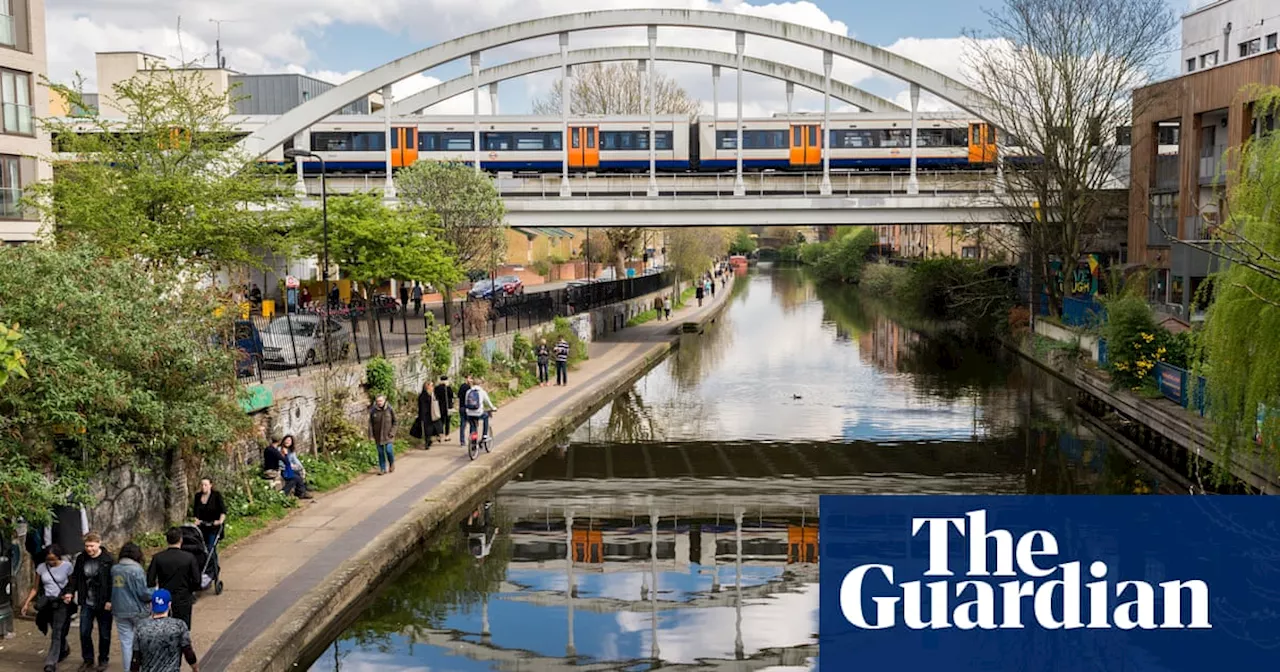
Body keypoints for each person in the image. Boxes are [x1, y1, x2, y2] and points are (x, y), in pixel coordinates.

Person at [64, 531, 114, 672]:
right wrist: (69, 592)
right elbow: (75, 577)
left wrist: (110, 600)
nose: (89, 549)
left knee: (104, 633)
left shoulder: (108, 560)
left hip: (103, 602)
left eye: (92, 546)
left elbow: (112, 582)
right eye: (87, 546)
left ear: (99, 543)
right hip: (87, 601)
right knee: (84, 632)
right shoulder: (81, 559)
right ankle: (88, 660)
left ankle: (103, 659)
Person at [22, 544, 72, 672]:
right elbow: (35, 587)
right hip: (48, 603)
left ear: (58, 557)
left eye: (53, 559)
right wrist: (27, 603)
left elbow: (72, 584)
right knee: (55, 630)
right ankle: (64, 647)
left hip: (62, 603)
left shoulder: (67, 566)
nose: (51, 562)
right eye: (48, 559)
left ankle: (51, 662)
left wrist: (69, 595)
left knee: (57, 632)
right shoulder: (41, 568)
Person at [130, 589, 200, 672]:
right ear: (169, 605)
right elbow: (188, 652)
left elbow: (136, 658)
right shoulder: (179, 625)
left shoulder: (140, 627)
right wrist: (195, 668)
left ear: (152, 605)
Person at [146, 529, 200, 631]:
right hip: (183, 597)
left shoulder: (158, 558)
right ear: (181, 540)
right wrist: (189, 589)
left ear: (167, 540)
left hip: (164, 598)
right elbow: (197, 580)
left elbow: (150, 581)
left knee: (164, 628)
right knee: (183, 627)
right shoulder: (189, 557)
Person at [111, 542, 152, 672]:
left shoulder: (115, 569)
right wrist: (154, 591)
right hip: (138, 610)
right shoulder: (137, 570)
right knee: (142, 641)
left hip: (119, 610)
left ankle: (129, 669)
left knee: (126, 642)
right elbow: (143, 593)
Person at [191, 479, 226, 554]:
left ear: (210, 485)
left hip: (213, 526)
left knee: (211, 548)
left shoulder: (216, 495)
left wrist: (220, 521)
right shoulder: (198, 496)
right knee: (202, 548)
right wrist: (196, 520)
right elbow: (195, 512)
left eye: (205, 485)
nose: (203, 487)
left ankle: (213, 565)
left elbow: (223, 511)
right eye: (202, 485)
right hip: (202, 526)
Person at [369, 394, 397, 474]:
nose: (379, 403)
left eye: (381, 401)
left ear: (384, 401)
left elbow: (395, 422)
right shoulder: (373, 411)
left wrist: (392, 432)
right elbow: (370, 424)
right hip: (378, 436)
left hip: (388, 435)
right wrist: (371, 435)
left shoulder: (389, 409)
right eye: (377, 401)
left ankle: (391, 463)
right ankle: (382, 468)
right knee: (380, 452)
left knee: (388, 450)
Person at [413, 381, 440, 450]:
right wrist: (422, 416)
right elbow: (422, 407)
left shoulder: (431, 394)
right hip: (426, 415)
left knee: (431, 429)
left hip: (431, 414)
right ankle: (427, 443)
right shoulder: (423, 396)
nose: (432, 387)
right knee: (427, 429)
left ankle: (429, 440)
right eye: (431, 385)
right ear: (427, 386)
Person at [434, 375, 454, 441]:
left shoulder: (437, 388)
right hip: (447, 407)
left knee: (440, 421)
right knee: (447, 421)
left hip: (439, 407)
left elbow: (435, 396)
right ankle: (447, 436)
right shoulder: (448, 388)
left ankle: (439, 435)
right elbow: (451, 395)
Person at [456, 376, 473, 445]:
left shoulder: (461, 386)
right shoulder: (469, 388)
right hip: (468, 408)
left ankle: (462, 441)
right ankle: (471, 439)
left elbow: (458, 395)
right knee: (472, 424)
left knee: (462, 424)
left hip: (461, 407)